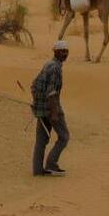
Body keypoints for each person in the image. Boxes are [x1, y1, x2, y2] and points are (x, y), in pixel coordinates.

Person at [30, 40, 71, 176]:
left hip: (41, 108)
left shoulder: (49, 64)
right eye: (62, 51)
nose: (65, 54)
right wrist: (54, 112)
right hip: (51, 108)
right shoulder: (55, 68)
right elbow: (51, 92)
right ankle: (51, 164)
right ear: (56, 52)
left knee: (41, 140)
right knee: (64, 137)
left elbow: (34, 85)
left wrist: (38, 104)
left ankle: (37, 169)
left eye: (66, 51)